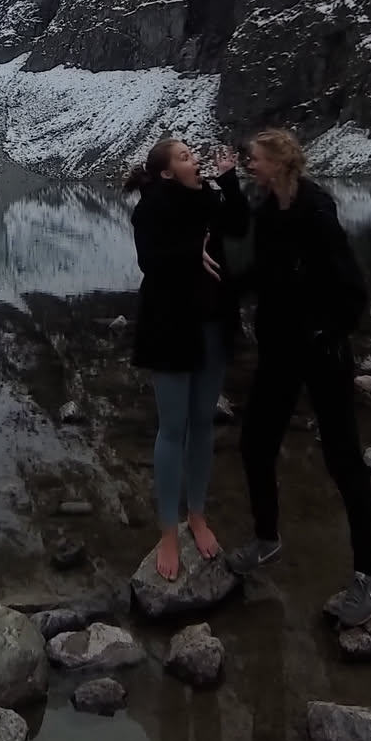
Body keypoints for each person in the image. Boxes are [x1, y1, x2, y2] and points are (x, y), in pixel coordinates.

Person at [226, 127, 371, 627]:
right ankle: (267, 538)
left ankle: (368, 574)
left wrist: (326, 332)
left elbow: (352, 288)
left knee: (343, 458)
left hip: (322, 354)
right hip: (279, 351)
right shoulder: (267, 210)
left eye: (254, 157)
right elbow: (263, 272)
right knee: (255, 443)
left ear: (278, 161)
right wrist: (219, 286)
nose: (248, 163)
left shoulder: (316, 210)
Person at [125, 136, 249, 581]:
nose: (194, 161)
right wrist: (191, 252)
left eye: (192, 155)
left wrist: (229, 180)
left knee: (202, 422)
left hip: (212, 324)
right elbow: (149, 261)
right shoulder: (151, 208)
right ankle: (168, 531)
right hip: (170, 330)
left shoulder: (209, 198)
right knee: (173, 428)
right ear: (166, 172)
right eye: (184, 157)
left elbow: (239, 225)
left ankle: (196, 514)